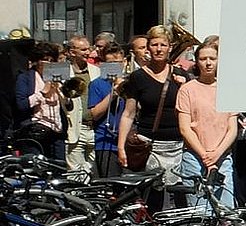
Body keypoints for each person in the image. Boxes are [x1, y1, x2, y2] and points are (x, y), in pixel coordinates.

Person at [117, 27, 187, 202]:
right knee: (152, 198)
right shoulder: (137, 77)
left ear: (170, 47)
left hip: (179, 146)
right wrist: (121, 147)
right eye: (154, 45)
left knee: (178, 199)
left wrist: (184, 87)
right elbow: (128, 114)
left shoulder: (181, 75)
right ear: (148, 47)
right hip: (150, 146)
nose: (159, 49)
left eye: (163, 45)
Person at [174, 36, 237, 208]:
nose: (208, 63)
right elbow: (185, 128)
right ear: (197, 62)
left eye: (212, 58)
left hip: (222, 157)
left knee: (226, 210)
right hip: (194, 157)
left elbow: (232, 128)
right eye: (203, 59)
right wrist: (205, 156)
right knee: (200, 211)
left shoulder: (227, 89)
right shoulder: (187, 90)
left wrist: (216, 154)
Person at [12, 41, 65, 160]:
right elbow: (21, 105)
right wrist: (42, 93)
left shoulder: (58, 79)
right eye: (45, 60)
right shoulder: (25, 78)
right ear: (37, 61)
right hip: (35, 131)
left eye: (52, 60)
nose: (48, 63)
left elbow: (68, 107)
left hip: (56, 132)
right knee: (37, 165)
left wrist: (64, 93)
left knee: (59, 166)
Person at [86, 43, 127, 178]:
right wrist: (113, 93)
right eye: (110, 64)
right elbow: (95, 114)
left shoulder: (132, 82)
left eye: (118, 63)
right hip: (106, 143)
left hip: (129, 143)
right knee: (111, 182)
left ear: (124, 62)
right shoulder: (96, 84)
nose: (114, 67)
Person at [62, 35, 97, 175]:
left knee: (94, 172)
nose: (87, 52)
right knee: (75, 174)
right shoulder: (64, 73)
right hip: (75, 128)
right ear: (72, 52)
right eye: (83, 50)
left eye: (89, 49)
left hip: (94, 128)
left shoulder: (96, 71)